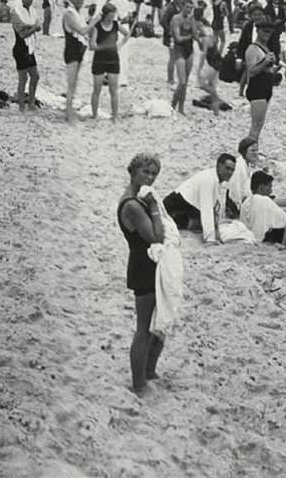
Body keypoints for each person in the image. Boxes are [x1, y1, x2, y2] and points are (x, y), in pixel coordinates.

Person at [117, 152, 166, 394]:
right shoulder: (133, 204)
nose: (150, 177)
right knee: (144, 327)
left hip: (150, 264)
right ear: (133, 171)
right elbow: (156, 236)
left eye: (154, 173)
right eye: (145, 172)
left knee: (158, 325)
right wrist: (155, 207)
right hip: (143, 266)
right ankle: (138, 383)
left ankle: (148, 371)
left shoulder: (139, 198)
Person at [162, 154, 237, 244]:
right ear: (218, 166)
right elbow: (207, 208)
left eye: (232, 170)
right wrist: (210, 239)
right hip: (173, 208)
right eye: (227, 168)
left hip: (189, 208)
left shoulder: (218, 181)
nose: (230, 173)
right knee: (198, 224)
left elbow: (214, 209)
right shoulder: (208, 179)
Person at [90, 0, 129, 122]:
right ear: (106, 14)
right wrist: (105, 46)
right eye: (111, 14)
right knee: (97, 89)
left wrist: (120, 44)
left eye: (114, 14)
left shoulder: (116, 25)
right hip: (99, 60)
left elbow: (127, 34)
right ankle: (94, 115)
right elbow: (91, 46)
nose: (113, 16)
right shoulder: (98, 27)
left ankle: (115, 115)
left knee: (114, 90)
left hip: (113, 60)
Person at [243, 18, 280, 143]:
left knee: (260, 124)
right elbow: (251, 71)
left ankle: (253, 148)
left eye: (269, 32)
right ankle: (249, 150)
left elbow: (268, 71)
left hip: (266, 87)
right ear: (258, 31)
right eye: (264, 31)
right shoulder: (253, 49)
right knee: (256, 123)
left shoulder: (266, 48)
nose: (267, 34)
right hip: (257, 88)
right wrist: (265, 61)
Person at [10, 0, 42, 111]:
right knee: (23, 78)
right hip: (21, 48)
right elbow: (21, 33)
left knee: (35, 76)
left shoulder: (32, 11)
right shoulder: (16, 12)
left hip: (30, 49)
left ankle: (31, 103)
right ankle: (22, 106)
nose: (29, 0)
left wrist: (29, 26)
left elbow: (37, 25)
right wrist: (33, 28)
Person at [240, 170, 286, 243]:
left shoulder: (245, 202)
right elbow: (285, 219)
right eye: (269, 187)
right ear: (261, 187)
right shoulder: (264, 200)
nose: (271, 191)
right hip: (261, 240)